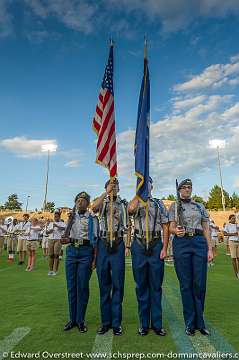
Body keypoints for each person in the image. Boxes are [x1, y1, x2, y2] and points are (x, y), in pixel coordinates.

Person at [168, 179, 213, 337]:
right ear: (179, 190)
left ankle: (200, 322)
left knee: (199, 283)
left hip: (199, 242)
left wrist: (210, 249)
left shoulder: (199, 206)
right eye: (184, 187)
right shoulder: (174, 206)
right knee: (186, 284)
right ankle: (190, 323)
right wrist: (175, 232)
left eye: (189, 187)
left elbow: (206, 228)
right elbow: (171, 227)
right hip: (182, 243)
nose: (187, 190)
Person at [128, 177, 169, 336]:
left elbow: (165, 226)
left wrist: (165, 247)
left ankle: (157, 324)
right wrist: (138, 195)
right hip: (138, 244)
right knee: (141, 286)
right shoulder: (135, 201)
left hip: (156, 243)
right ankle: (144, 324)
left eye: (148, 183)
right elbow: (130, 211)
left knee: (156, 286)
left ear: (152, 186)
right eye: (143, 183)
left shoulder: (158, 203)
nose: (146, 186)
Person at [92, 179, 127, 336]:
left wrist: (127, 245)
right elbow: (94, 208)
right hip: (103, 243)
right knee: (104, 283)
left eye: (116, 186)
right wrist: (106, 193)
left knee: (118, 283)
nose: (113, 188)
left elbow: (128, 226)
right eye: (110, 185)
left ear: (119, 189)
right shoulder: (102, 202)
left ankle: (116, 322)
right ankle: (105, 322)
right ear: (105, 187)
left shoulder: (123, 203)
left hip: (118, 242)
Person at [63, 191, 98, 333]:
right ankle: (72, 319)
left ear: (88, 203)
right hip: (71, 252)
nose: (80, 202)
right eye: (78, 200)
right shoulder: (71, 217)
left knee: (82, 286)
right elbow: (65, 236)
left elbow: (95, 240)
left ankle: (80, 320)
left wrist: (94, 259)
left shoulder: (92, 219)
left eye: (83, 200)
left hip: (85, 252)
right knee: (71, 286)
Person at [46, 210, 66, 276]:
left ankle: (55, 270)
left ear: (59, 217)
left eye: (57, 217)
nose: (55, 218)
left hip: (58, 239)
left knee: (56, 255)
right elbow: (47, 232)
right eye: (55, 216)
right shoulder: (51, 223)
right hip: (50, 239)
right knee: (51, 255)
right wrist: (50, 231)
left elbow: (64, 228)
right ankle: (50, 270)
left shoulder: (62, 223)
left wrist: (57, 226)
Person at [223, 215, 239, 279]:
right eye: (232, 218)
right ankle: (236, 273)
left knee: (238, 258)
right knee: (233, 258)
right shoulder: (227, 225)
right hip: (232, 242)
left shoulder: (237, 225)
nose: (234, 220)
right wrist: (233, 234)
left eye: (235, 218)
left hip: (238, 242)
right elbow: (224, 233)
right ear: (229, 219)